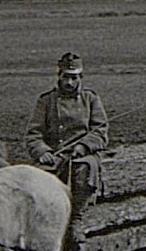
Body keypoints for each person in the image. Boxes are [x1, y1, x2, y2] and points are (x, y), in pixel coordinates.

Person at [26, 51, 110, 212]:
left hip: (83, 155)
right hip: (55, 154)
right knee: (38, 180)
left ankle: (77, 216)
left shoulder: (90, 99)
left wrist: (83, 146)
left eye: (74, 78)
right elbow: (33, 134)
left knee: (83, 172)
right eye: (66, 77)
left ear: (81, 78)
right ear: (59, 76)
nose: (69, 82)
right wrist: (43, 151)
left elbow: (100, 131)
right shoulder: (46, 101)